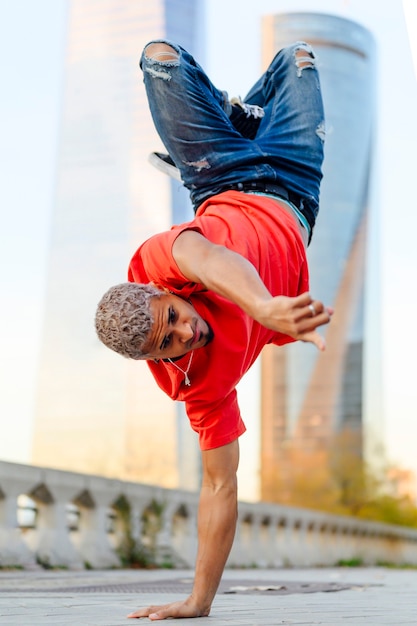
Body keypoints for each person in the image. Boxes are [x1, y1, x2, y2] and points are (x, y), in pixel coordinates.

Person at [95, 39, 332, 621]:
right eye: (168, 344)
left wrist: (266, 306)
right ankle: (244, 116)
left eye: (173, 316)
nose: (186, 333)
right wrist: (198, 601)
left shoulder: (156, 262)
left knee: (157, 57)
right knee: (299, 59)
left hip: (220, 173)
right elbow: (218, 488)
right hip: (296, 186)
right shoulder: (199, 386)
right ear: (156, 360)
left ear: (163, 291)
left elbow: (215, 264)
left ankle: (230, 126)